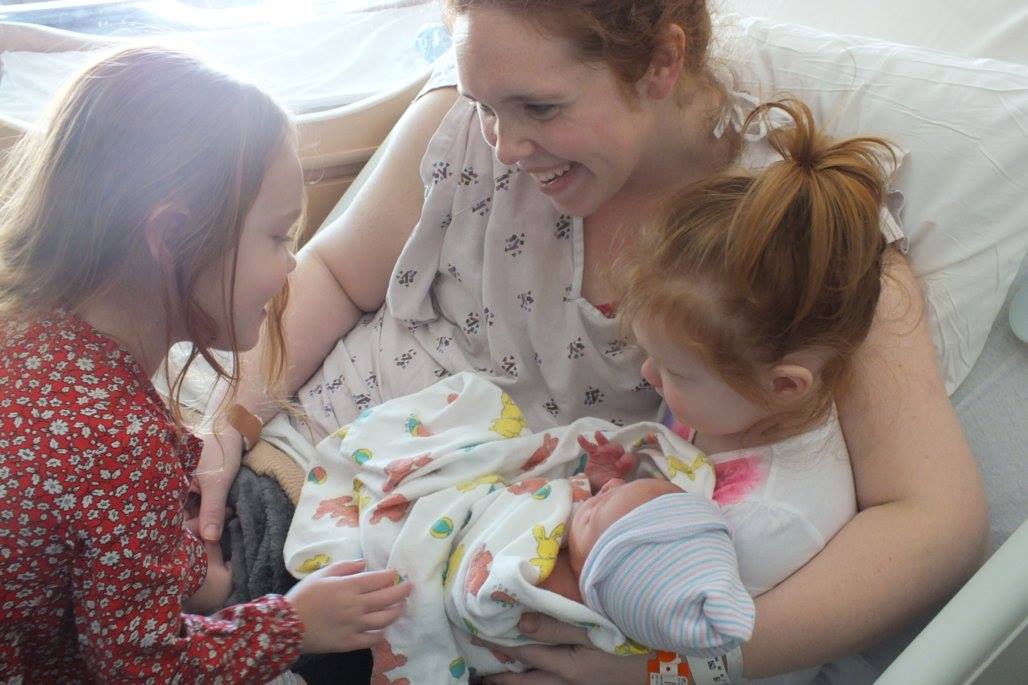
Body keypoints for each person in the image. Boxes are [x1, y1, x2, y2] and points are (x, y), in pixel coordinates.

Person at [195, 0, 987, 681]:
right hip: (311, 479)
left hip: (470, 571)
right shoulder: (475, 113)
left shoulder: (783, 234)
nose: (504, 145)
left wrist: (676, 665)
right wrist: (230, 418)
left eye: (541, 109)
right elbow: (335, 275)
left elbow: (934, 522)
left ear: (662, 62)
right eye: (483, 105)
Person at [0, 47, 412, 683]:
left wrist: (178, 561)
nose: (291, 265)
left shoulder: (28, 333)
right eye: (277, 237)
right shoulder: (119, 441)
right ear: (171, 238)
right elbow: (144, 670)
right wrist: (292, 624)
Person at [284, 370, 752, 684]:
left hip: (441, 563)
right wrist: (598, 480)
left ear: (592, 577)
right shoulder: (602, 555)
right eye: (618, 489)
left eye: (596, 507)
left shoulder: (550, 589)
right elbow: (593, 520)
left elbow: (477, 597)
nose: (607, 490)